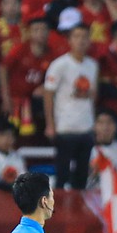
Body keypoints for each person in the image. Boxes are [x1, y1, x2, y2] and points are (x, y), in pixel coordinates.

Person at [44, 23, 98, 190]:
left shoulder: (92, 65)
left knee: (82, 175)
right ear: (69, 40)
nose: (81, 41)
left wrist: (93, 121)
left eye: (84, 36)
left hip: (86, 126)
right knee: (63, 174)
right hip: (65, 127)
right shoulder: (59, 65)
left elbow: (93, 95)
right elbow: (48, 94)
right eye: (77, 36)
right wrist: (50, 124)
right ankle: (59, 211)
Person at [89, 110, 117, 186]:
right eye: (100, 123)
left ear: (116, 126)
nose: (105, 127)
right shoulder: (85, 149)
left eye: (109, 122)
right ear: (94, 126)